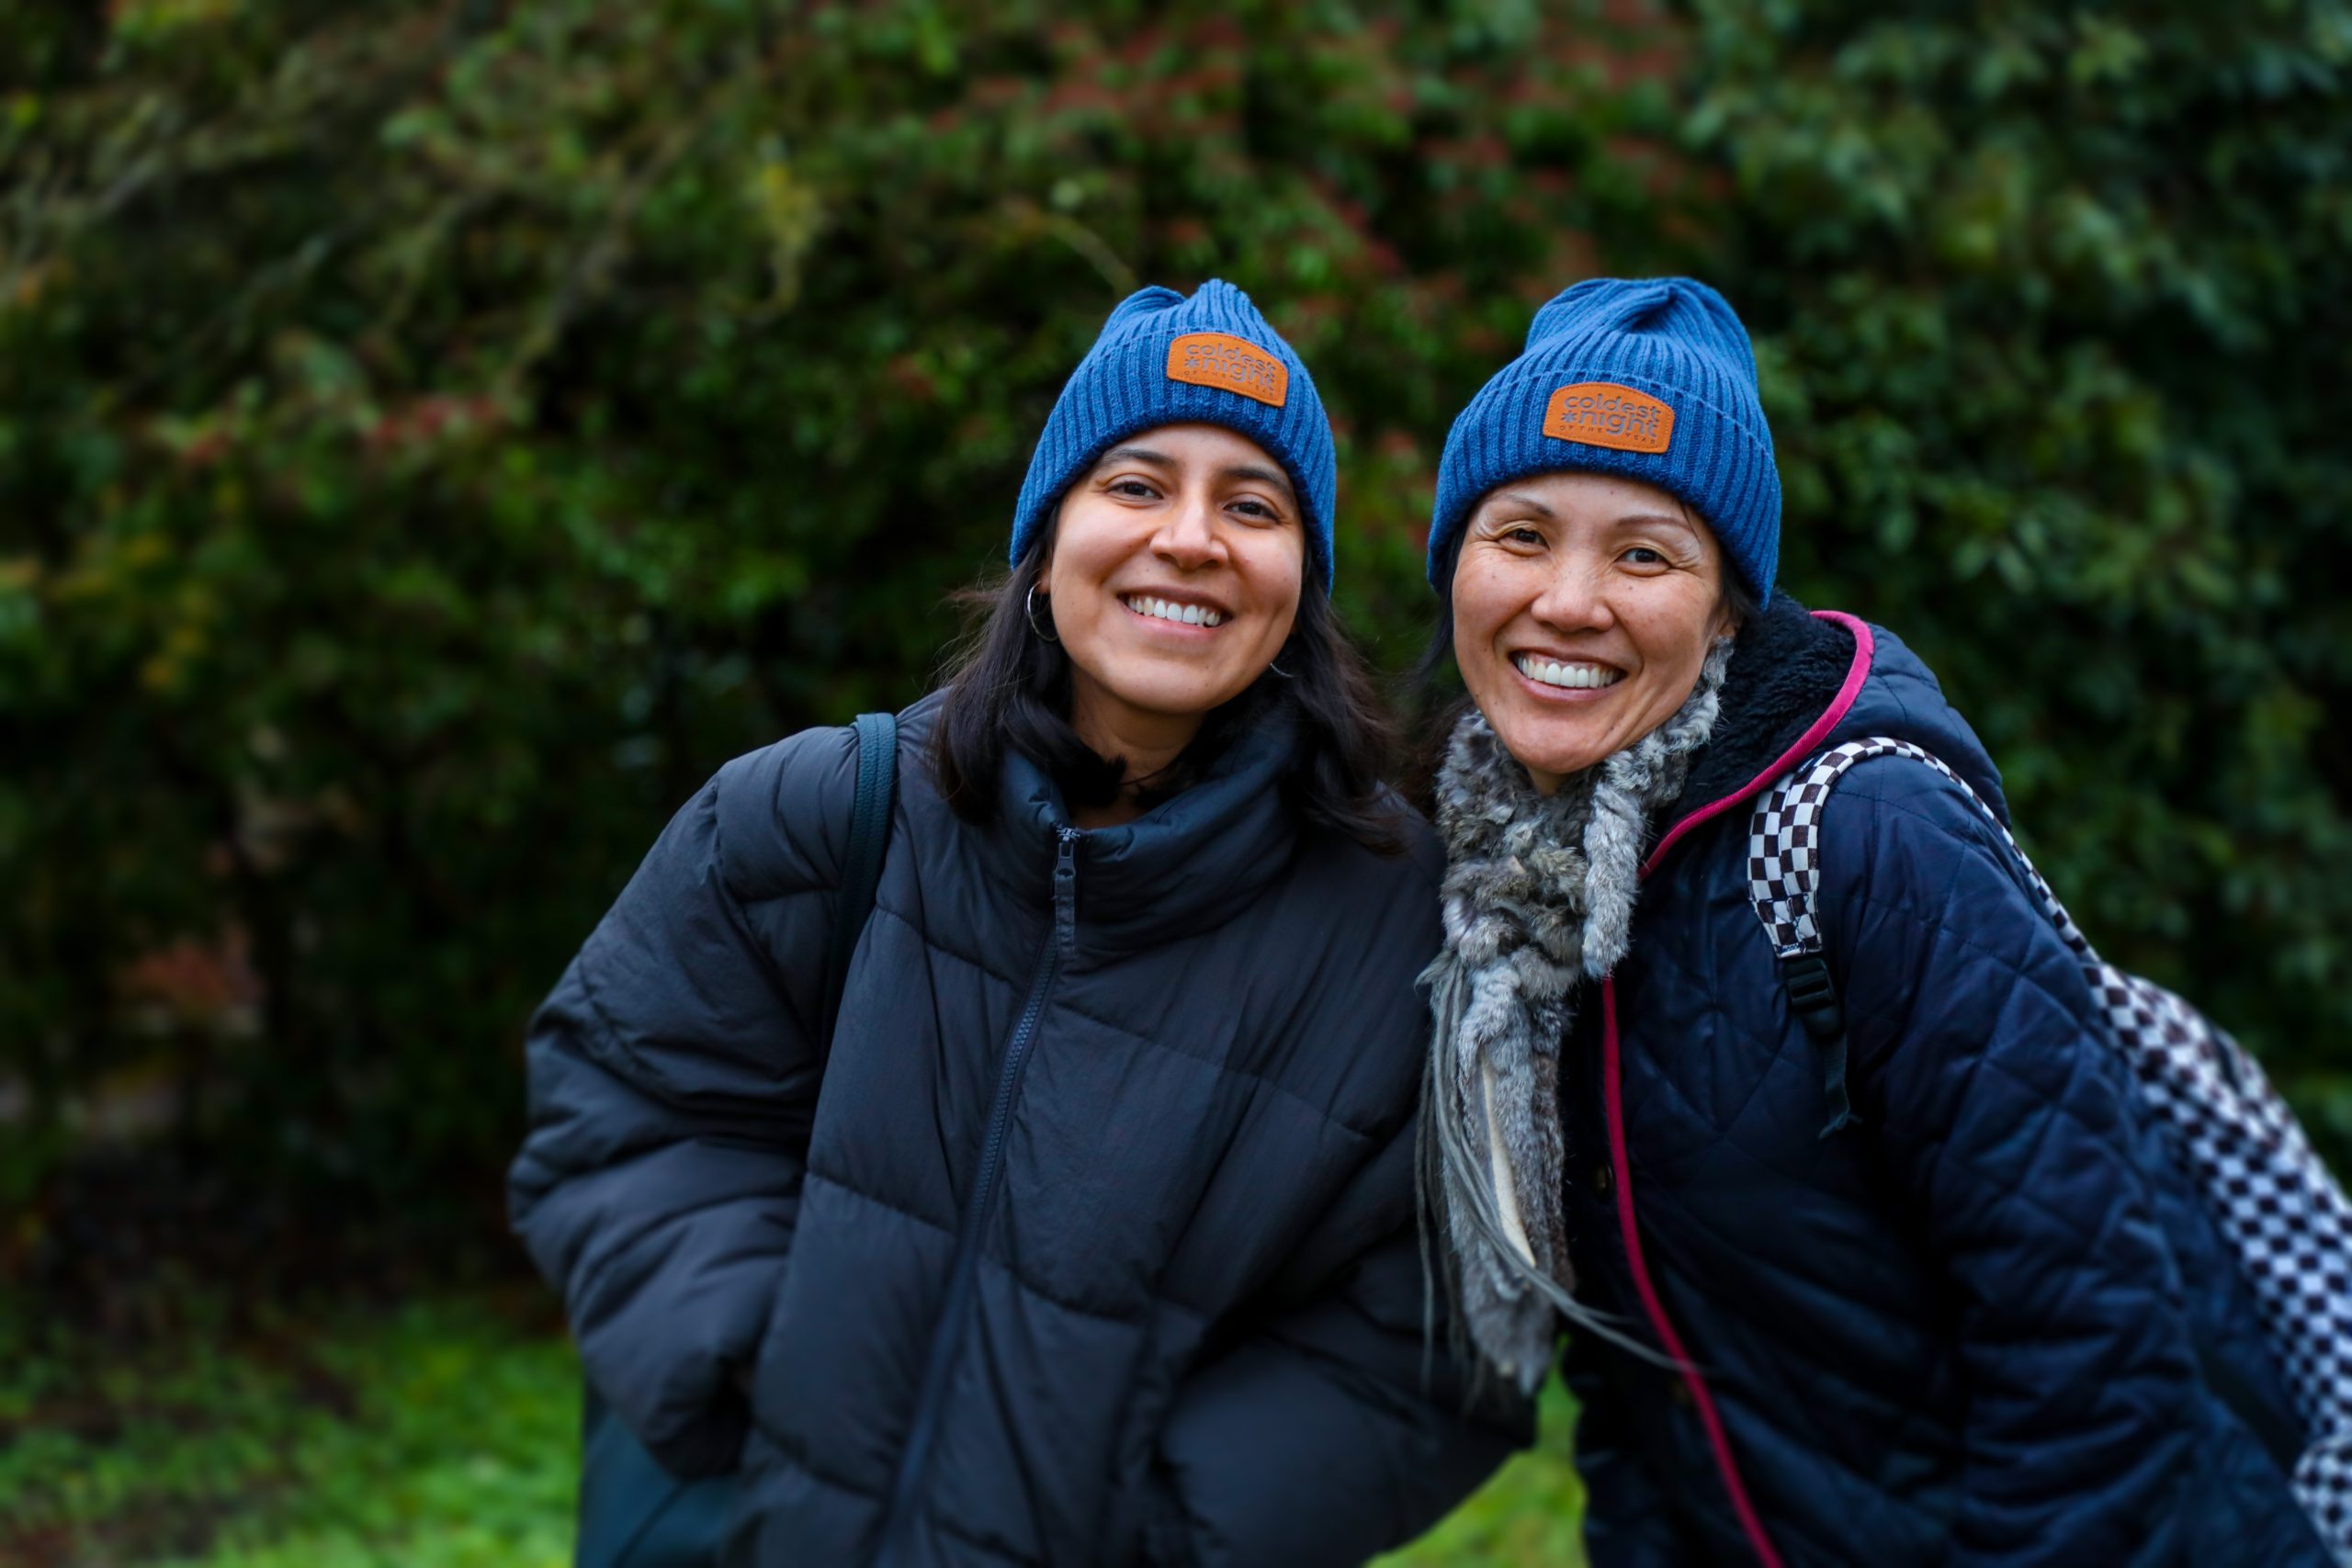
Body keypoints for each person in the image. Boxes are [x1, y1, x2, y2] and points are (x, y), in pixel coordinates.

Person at [510, 279, 1517, 1566]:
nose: (1191, 539)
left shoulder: (1399, 933)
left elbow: (1433, 1332)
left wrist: (1163, 1533)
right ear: (1046, 543)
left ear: (1297, 587)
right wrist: (758, 1373)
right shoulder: (814, 814)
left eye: (1253, 505)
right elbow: (628, 1105)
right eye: (1136, 484)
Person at [1414, 276, 2331, 1564]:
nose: (1568, 601)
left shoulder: (1869, 836)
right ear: (1456, 563)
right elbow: (1635, 1378)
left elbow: (2093, 1342)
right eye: (1520, 534)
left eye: (1644, 554)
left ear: (1729, 606)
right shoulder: (1523, 895)